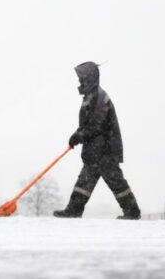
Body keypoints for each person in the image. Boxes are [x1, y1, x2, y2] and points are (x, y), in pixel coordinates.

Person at [53, 61, 141, 220]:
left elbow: (96, 124)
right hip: (95, 151)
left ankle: (132, 212)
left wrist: (79, 136)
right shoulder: (90, 97)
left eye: (82, 78)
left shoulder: (100, 98)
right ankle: (74, 210)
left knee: (116, 181)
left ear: (89, 78)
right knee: (84, 182)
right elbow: (86, 125)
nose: (79, 82)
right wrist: (76, 135)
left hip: (106, 150)